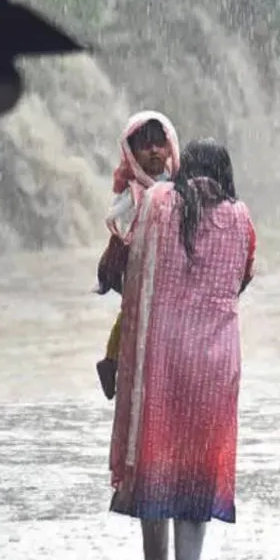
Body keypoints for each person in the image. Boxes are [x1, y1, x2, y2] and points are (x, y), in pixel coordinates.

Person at [106, 138, 256, 560]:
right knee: (195, 478)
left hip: (163, 357)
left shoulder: (157, 205)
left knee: (157, 464)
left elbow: (127, 262)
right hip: (214, 363)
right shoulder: (241, 219)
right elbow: (241, 279)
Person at [94, 111, 181, 400]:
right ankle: (111, 362)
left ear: (170, 146)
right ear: (132, 152)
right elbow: (120, 228)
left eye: (160, 143)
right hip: (136, 265)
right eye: (145, 145)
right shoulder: (131, 190)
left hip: (167, 269)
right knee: (131, 315)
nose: (154, 150)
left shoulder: (177, 184)